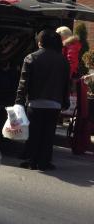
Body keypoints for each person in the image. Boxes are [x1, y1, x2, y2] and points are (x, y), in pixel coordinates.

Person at [15, 30, 71, 171]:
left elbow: (23, 83)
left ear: (40, 42)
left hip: (35, 103)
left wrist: (19, 101)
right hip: (55, 104)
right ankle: (44, 162)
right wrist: (65, 101)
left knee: (34, 133)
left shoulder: (31, 58)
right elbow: (66, 84)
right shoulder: (63, 61)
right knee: (48, 134)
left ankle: (32, 161)